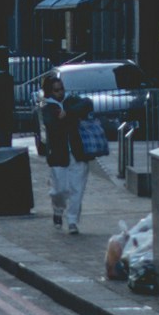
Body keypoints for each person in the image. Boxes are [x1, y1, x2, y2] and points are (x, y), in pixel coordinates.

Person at [39, 66, 94, 236]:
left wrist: (68, 113)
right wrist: (70, 117)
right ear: (49, 92)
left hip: (78, 153)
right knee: (60, 190)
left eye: (61, 88)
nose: (60, 92)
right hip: (58, 155)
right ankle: (58, 209)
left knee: (77, 189)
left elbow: (88, 104)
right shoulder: (46, 107)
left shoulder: (70, 101)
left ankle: (72, 221)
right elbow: (53, 125)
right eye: (56, 90)